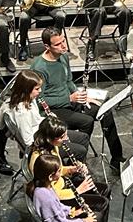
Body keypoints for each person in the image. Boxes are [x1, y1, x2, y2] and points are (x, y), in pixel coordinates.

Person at [31, 28, 124, 173]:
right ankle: (77, 164)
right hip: (52, 110)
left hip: (69, 101)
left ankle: (117, 159)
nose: (63, 46)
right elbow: (39, 100)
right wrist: (68, 98)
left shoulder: (63, 57)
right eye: (57, 44)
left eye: (63, 41)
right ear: (47, 46)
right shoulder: (39, 68)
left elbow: (68, 81)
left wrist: (81, 95)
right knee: (86, 121)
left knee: (104, 111)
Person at [28, 115, 109, 222]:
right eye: (62, 137)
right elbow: (51, 194)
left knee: (105, 189)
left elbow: (58, 170)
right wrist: (79, 190)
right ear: (49, 138)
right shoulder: (39, 160)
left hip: (63, 184)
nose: (66, 139)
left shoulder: (52, 146)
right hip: (60, 198)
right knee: (102, 203)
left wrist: (72, 169)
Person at [5, 70, 89, 160]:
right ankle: (69, 168)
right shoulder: (22, 112)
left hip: (44, 134)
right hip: (40, 147)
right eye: (37, 89)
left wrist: (49, 121)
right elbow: (28, 141)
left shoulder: (30, 99)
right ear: (26, 89)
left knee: (83, 138)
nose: (40, 91)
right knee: (80, 151)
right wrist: (53, 139)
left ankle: (74, 165)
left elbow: (36, 120)